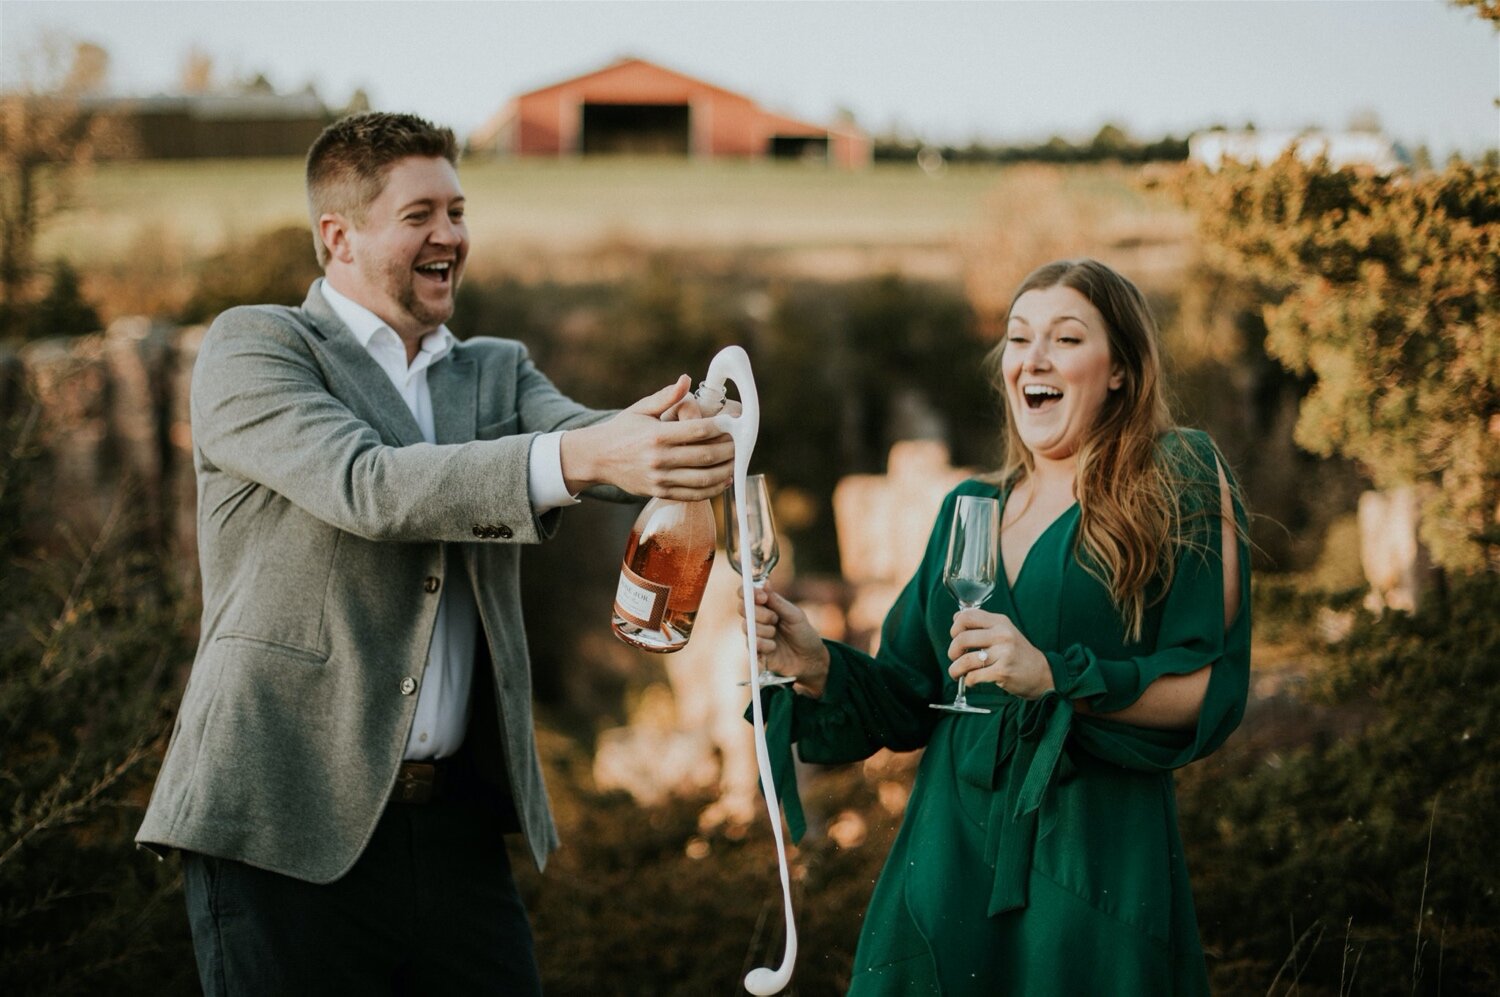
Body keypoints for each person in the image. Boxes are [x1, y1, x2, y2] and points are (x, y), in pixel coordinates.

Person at [136, 112, 734, 995]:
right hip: (282, 817)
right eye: (421, 214)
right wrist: (588, 455)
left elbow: (589, 444)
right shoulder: (255, 348)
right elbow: (367, 485)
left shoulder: (494, 367)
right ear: (338, 236)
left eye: (458, 210)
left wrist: (669, 435)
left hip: (456, 829)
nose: (451, 234)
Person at [746, 258, 1250, 995]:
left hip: (1093, 858)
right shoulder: (968, 509)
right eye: (1018, 339)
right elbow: (910, 694)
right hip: (945, 857)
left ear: (1121, 369)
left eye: (1066, 338)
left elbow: (1213, 688)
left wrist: (1055, 676)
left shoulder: (1179, 472)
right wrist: (817, 661)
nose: (1033, 359)